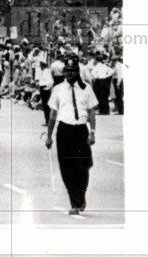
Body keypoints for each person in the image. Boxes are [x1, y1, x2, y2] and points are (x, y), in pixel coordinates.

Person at [45, 56, 98, 215]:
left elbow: (92, 112)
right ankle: (75, 202)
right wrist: (49, 136)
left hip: (81, 130)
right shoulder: (58, 89)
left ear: (77, 71)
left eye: (73, 70)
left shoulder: (86, 88)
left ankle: (81, 195)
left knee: (83, 167)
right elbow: (53, 115)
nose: (69, 73)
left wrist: (93, 132)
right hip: (64, 131)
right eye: (66, 70)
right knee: (67, 168)